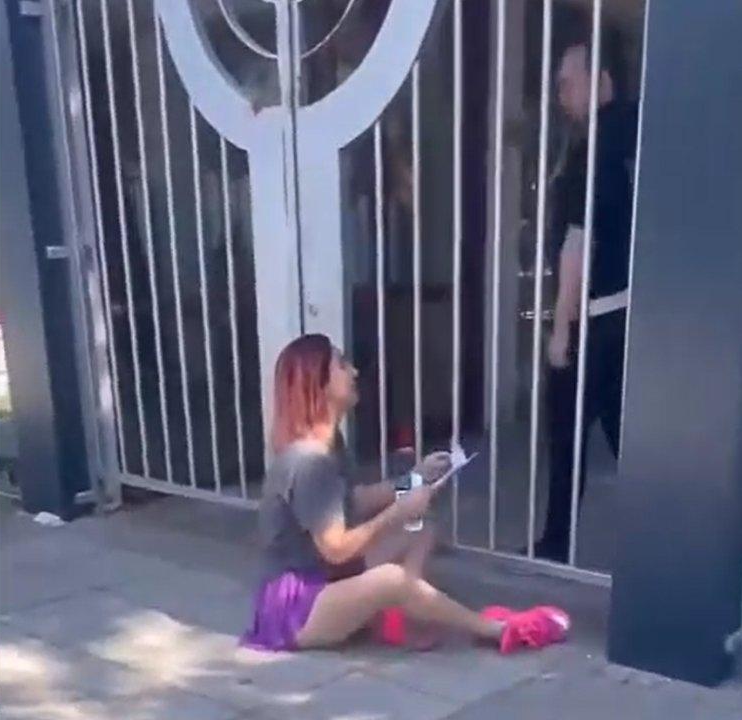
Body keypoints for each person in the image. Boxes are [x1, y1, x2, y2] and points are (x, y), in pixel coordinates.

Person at [242, 334, 570, 653]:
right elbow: (337, 549)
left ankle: (400, 614)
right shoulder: (309, 461)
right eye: (341, 365)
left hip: (324, 578)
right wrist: (399, 511)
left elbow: (355, 500)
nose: (354, 371)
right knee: (392, 578)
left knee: (420, 530)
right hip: (293, 609)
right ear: (318, 384)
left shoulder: (331, 444)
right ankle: (494, 629)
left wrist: (415, 479)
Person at [534, 36, 639, 563]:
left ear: (601, 81)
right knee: (630, 439)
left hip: (594, 319)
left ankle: (556, 547)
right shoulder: (636, 136)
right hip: (626, 312)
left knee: (566, 435)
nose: (560, 96)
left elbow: (579, 241)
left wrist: (560, 328)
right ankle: (663, 543)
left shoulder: (593, 149)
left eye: (567, 83)